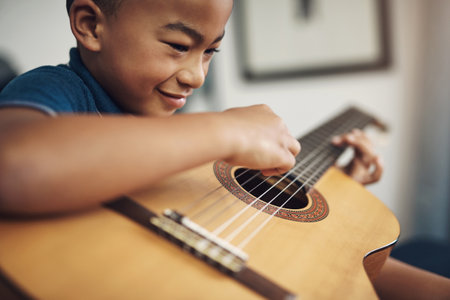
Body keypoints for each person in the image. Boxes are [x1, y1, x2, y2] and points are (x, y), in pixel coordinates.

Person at [1, 0, 446, 298]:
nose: (196, 75)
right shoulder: (60, 88)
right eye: (178, 46)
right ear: (91, 25)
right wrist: (224, 129)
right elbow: (14, 163)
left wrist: (341, 203)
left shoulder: (168, 131)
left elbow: (306, 259)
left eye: (210, 52)